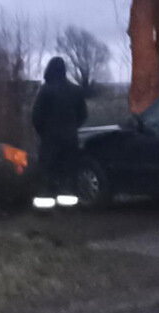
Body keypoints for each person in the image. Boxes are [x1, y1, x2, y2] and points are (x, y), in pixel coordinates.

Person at [32, 57, 88, 206]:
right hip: (70, 138)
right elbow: (83, 115)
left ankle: (45, 205)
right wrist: (72, 127)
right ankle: (68, 205)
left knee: (47, 172)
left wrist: (43, 132)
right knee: (68, 172)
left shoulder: (45, 90)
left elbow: (36, 117)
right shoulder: (76, 90)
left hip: (49, 139)